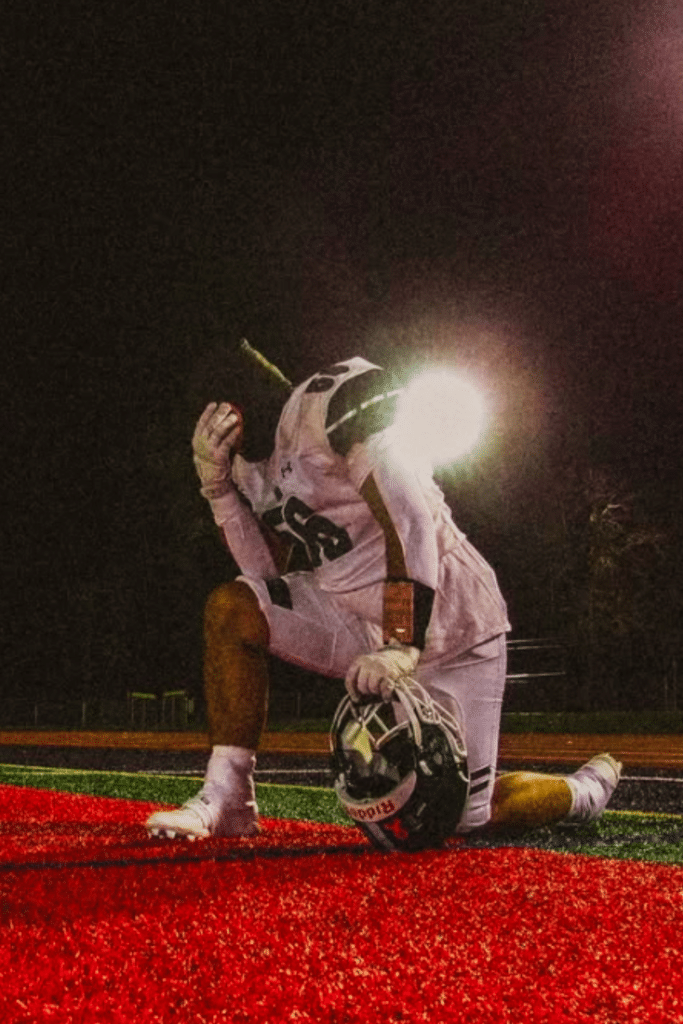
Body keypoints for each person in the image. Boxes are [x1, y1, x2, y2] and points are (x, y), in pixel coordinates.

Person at [146, 356, 621, 841]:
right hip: (347, 612)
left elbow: (410, 520)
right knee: (234, 609)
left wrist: (400, 640)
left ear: (237, 408)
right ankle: (229, 797)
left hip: (446, 618)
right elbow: (264, 575)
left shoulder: (330, 406)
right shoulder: (247, 464)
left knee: (460, 816)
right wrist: (218, 488)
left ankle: (582, 792)